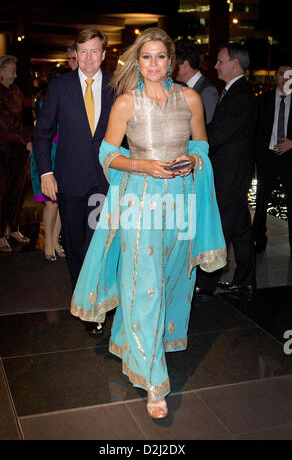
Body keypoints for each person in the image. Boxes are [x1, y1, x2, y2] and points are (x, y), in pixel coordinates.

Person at [70, 28, 226, 419]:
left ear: (170, 61)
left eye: (160, 57)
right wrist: (142, 165)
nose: (153, 64)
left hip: (181, 203)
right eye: (146, 57)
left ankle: (131, 339)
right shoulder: (126, 102)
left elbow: (202, 146)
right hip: (140, 201)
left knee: (173, 280)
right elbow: (108, 154)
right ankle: (152, 379)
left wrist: (193, 160)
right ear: (136, 62)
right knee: (145, 285)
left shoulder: (189, 98)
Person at [33, 28, 115, 334]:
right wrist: (46, 173)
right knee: (76, 243)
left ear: (104, 55)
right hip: (69, 180)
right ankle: (83, 294)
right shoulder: (60, 87)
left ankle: (95, 303)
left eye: (95, 51)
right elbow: (42, 133)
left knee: (99, 240)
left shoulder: (116, 87)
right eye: (83, 52)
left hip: (106, 180)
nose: (89, 58)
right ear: (75, 55)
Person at [196, 43, 257, 296]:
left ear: (235, 64)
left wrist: (194, 142)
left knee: (220, 227)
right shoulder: (233, 91)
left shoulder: (241, 95)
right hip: (233, 172)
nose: (215, 65)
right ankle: (246, 280)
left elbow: (219, 133)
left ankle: (206, 283)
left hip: (230, 175)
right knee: (240, 227)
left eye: (220, 61)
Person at [0, 55, 32, 252]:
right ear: (1, 73)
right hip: (0, 148)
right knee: (0, 190)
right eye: (12, 70)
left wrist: (28, 138)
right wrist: (26, 139)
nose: (15, 74)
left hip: (17, 148)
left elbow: (22, 119)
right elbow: (4, 122)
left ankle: (13, 228)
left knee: (18, 190)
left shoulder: (16, 91)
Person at [253, 64, 292, 254]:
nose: (285, 78)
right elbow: (256, 129)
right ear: (275, 76)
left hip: (290, 158)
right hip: (267, 156)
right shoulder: (263, 100)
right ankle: (258, 239)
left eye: (289, 75)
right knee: (261, 200)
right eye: (281, 74)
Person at [31, 70, 66, 261]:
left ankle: (55, 242)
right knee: (51, 203)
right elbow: (44, 133)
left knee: (60, 203)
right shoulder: (45, 102)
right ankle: (48, 245)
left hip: (62, 157)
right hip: (48, 157)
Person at [174, 38, 219, 124]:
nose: (171, 69)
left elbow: (207, 128)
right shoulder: (179, 87)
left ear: (185, 65)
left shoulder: (208, 91)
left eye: (174, 65)